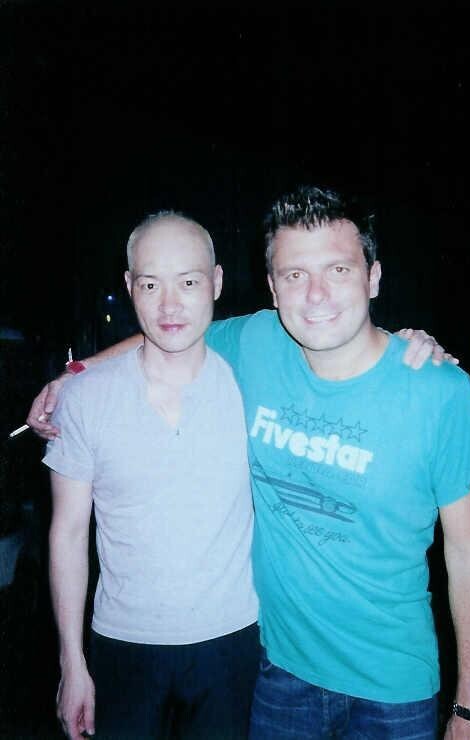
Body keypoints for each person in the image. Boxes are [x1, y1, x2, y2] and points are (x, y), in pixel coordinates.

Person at [28, 187, 470, 739]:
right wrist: (71, 378)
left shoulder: (439, 390)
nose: (316, 294)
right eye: (294, 275)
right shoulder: (255, 342)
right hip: (279, 676)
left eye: (338, 270)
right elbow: (168, 330)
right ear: (273, 288)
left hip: (394, 688)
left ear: (373, 277)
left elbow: (469, 551)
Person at [42, 212, 260, 740]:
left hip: (233, 642)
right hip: (122, 644)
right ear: (128, 286)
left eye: (188, 282)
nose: (169, 305)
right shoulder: (84, 398)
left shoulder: (252, 383)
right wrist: (72, 662)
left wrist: (417, 344)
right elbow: (68, 533)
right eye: (150, 284)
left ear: (217, 282)